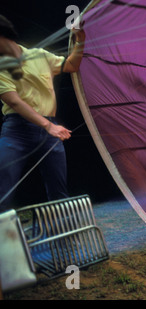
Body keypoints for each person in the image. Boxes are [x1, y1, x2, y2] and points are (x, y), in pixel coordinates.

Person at [0, 15, 85, 212]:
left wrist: (80, 39)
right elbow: (14, 101)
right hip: (17, 130)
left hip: (49, 129)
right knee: (3, 185)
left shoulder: (39, 55)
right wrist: (48, 126)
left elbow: (72, 65)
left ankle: (62, 233)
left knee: (58, 190)